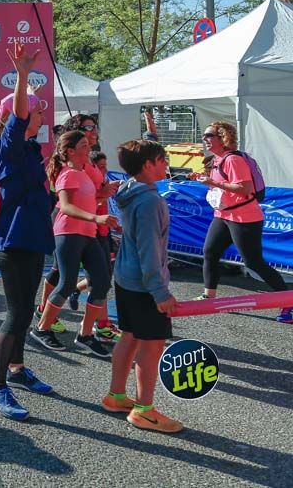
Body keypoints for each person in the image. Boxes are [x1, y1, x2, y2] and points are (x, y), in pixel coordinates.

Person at [0, 42, 56, 421]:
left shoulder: (27, 150)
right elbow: (20, 115)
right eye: (39, 112)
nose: (42, 117)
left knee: (25, 311)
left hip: (32, 238)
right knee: (17, 312)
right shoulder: (7, 146)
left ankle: (16, 368)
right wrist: (23, 75)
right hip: (13, 240)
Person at [105, 139, 182, 433]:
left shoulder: (130, 191)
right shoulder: (150, 201)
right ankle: (144, 410)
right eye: (162, 159)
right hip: (143, 284)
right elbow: (149, 250)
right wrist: (160, 292)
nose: (166, 164)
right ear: (148, 165)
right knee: (152, 345)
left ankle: (116, 396)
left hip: (127, 278)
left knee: (130, 336)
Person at [190, 121, 292, 323]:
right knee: (210, 252)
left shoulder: (233, 159)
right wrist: (204, 179)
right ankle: (209, 296)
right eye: (204, 135)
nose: (204, 139)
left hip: (244, 217)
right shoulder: (218, 159)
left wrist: (211, 182)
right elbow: (224, 186)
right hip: (224, 215)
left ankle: (289, 302)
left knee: (254, 262)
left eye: (209, 135)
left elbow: (245, 188)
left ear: (223, 138)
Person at [30, 130, 118, 358]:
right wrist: (96, 217)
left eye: (88, 144)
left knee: (101, 282)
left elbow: (88, 200)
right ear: (70, 151)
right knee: (67, 282)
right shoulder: (67, 174)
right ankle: (42, 329)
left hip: (87, 233)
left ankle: (85, 334)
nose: (88, 148)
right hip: (68, 232)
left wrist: (104, 195)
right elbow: (67, 206)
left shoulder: (83, 173)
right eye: (83, 145)